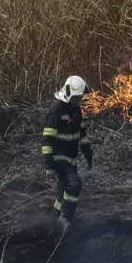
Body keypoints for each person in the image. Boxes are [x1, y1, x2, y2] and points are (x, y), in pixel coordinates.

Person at [42, 75, 94, 231]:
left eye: (80, 97)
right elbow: (47, 139)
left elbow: (81, 133)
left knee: (62, 191)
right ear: (68, 93)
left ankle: (51, 219)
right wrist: (49, 165)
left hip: (71, 157)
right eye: (77, 97)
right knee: (74, 185)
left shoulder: (76, 110)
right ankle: (65, 219)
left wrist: (88, 153)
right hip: (59, 157)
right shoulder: (56, 110)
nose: (79, 100)